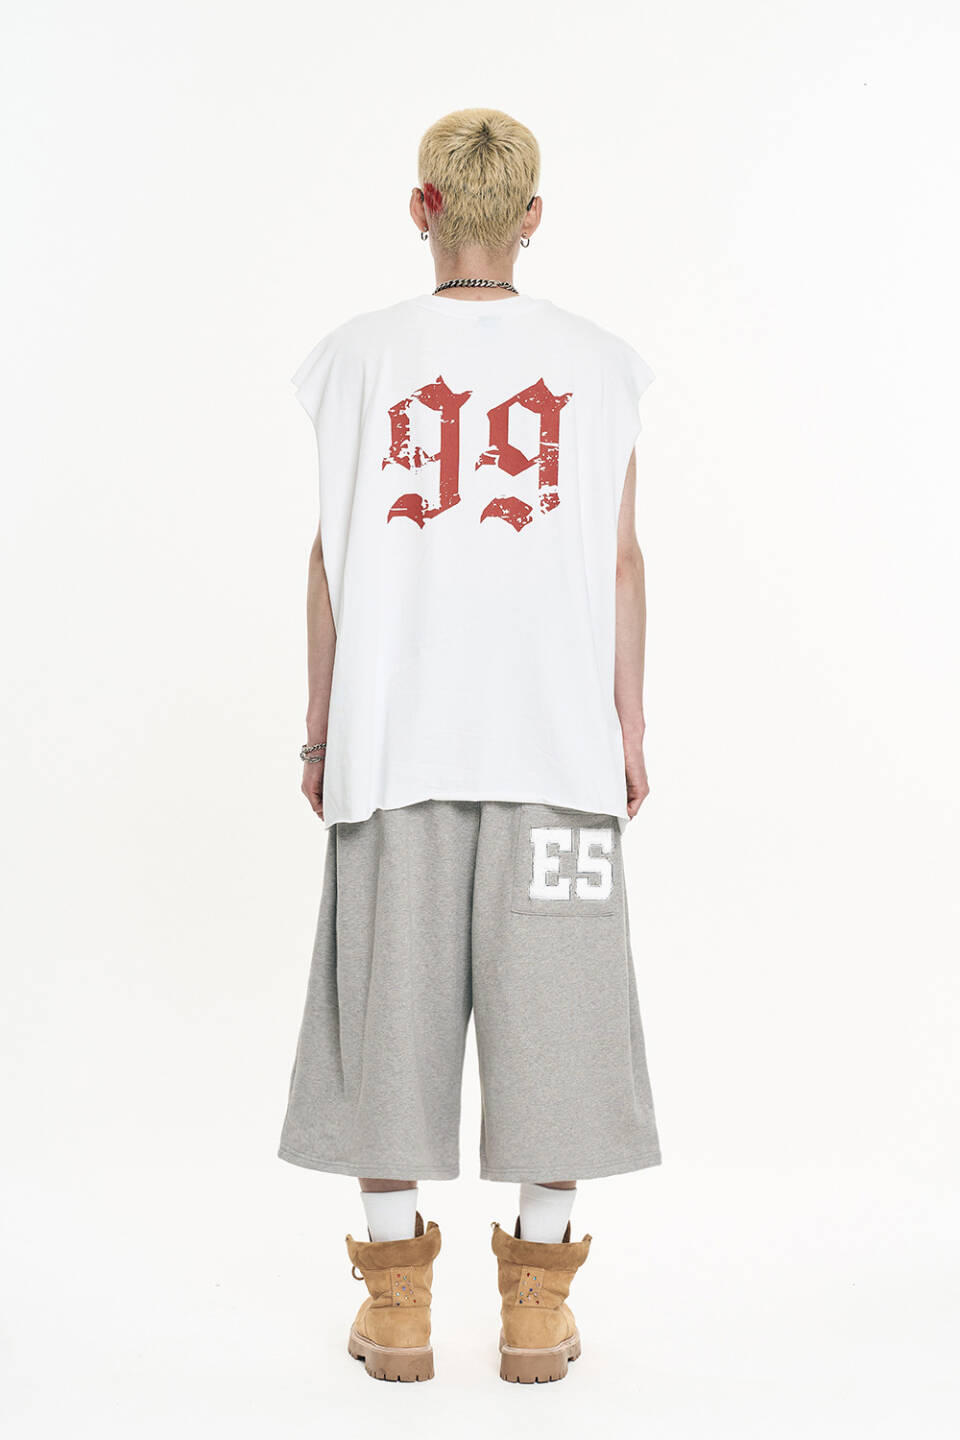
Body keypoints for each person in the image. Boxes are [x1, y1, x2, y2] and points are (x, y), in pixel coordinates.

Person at [278, 107, 662, 1385]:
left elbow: (331, 558)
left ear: (421, 208)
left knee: (384, 1019)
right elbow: (619, 560)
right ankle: (537, 1307)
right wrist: (628, 726)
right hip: (559, 753)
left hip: (394, 744)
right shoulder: (603, 365)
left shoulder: (354, 356)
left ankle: (396, 1305)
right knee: (563, 1015)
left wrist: (321, 730)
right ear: (534, 216)